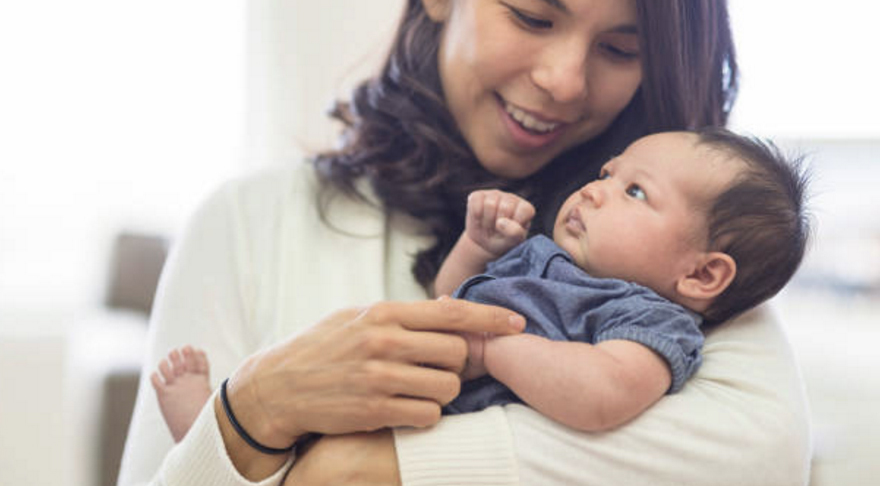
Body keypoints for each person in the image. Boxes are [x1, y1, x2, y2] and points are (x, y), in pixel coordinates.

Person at [118, 0, 813, 485]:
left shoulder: (672, 262)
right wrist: (251, 411)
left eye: (619, 50)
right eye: (534, 18)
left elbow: (763, 457)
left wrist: (359, 468)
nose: (565, 80)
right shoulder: (247, 222)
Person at [149, 129, 809, 440]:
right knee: (315, 415)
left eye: (635, 191)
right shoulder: (544, 257)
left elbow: (602, 396)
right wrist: (477, 248)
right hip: (405, 387)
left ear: (700, 273)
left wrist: (491, 348)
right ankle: (212, 427)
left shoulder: (649, 322)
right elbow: (449, 299)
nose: (599, 191)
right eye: (609, 174)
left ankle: (221, 433)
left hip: (443, 425)